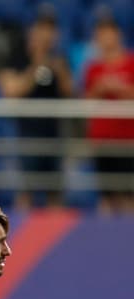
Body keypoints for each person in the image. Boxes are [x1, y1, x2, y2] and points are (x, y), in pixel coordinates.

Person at [0, 9, 73, 209]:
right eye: (41, 28)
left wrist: (59, 68)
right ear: (32, 31)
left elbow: (70, 92)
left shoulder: (59, 59)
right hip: (27, 135)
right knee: (26, 191)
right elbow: (10, 91)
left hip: (54, 134)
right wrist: (36, 65)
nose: (45, 35)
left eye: (50, 29)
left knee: (55, 193)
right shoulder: (18, 57)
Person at [82, 14, 134, 212]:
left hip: (128, 141)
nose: (104, 38)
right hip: (102, 140)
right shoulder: (93, 68)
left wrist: (121, 89)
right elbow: (85, 102)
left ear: (118, 35)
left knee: (129, 194)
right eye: (100, 35)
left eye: (108, 34)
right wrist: (99, 89)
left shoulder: (131, 63)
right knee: (106, 194)